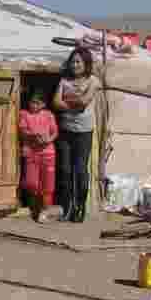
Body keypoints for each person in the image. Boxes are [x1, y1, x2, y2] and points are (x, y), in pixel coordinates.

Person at [52, 47, 102, 223]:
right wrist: (73, 103)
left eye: (78, 61)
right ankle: (67, 207)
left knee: (80, 169)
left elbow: (84, 101)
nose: (75, 65)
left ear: (86, 63)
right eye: (73, 61)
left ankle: (80, 207)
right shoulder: (64, 80)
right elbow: (56, 102)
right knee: (65, 169)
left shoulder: (93, 81)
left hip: (83, 131)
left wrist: (68, 101)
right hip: (65, 130)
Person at [18, 89, 58, 222]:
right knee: (31, 183)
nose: (33, 105)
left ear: (43, 104)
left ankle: (44, 211)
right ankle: (34, 206)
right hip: (31, 153)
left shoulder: (48, 115)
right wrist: (33, 136)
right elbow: (22, 131)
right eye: (32, 102)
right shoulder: (24, 114)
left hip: (48, 153)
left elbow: (54, 132)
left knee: (48, 185)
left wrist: (48, 139)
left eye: (37, 103)